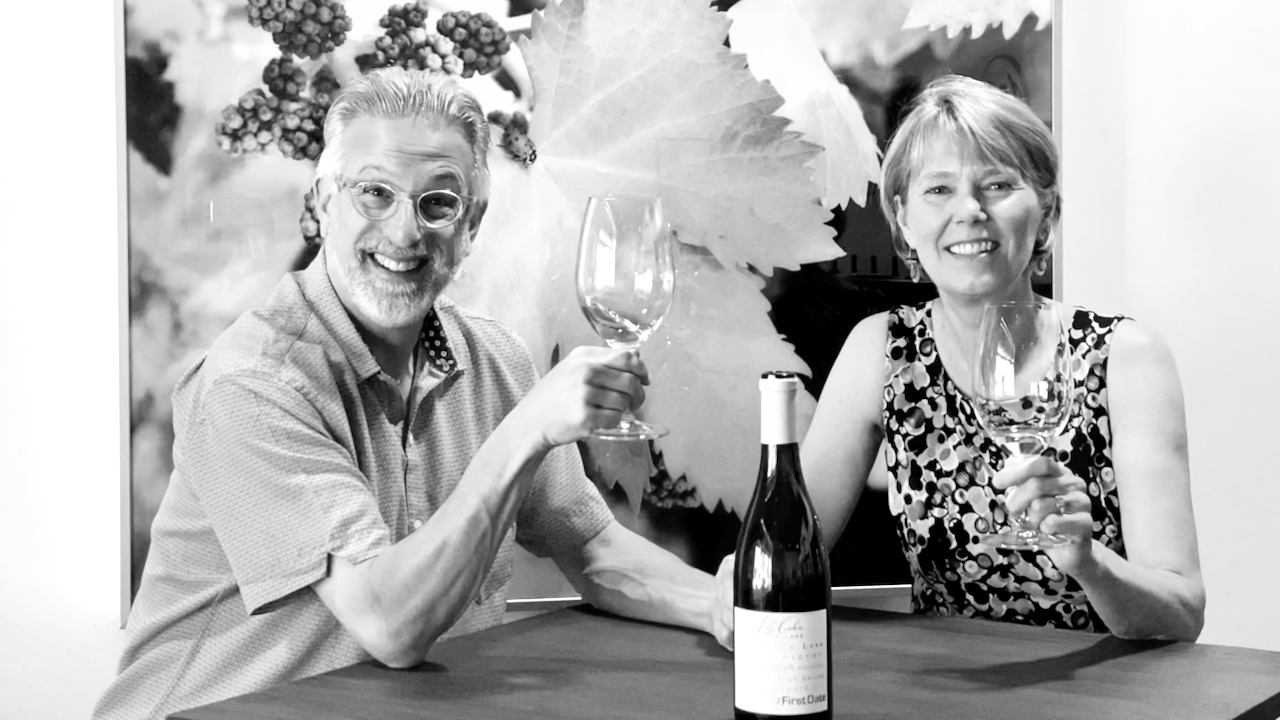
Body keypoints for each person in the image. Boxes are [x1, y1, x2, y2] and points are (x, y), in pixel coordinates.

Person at [95, 67, 724, 720]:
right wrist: (527, 431)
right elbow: (390, 625)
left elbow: (592, 550)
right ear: (321, 202)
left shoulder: (495, 360)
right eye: (375, 194)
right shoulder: (250, 384)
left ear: (471, 222)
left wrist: (726, 608)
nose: (405, 232)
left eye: (438, 203)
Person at [714, 74, 1205, 643]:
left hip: (1105, 692)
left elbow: (1181, 616)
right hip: (942, 689)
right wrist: (742, 572)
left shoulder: (1125, 358)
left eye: (997, 184)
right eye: (938, 189)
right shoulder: (883, 349)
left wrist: (1088, 562)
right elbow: (794, 542)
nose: (970, 210)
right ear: (902, 220)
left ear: (1045, 212)